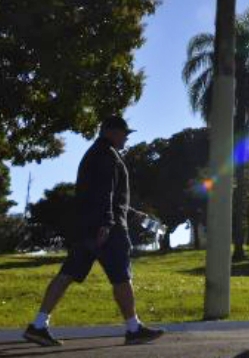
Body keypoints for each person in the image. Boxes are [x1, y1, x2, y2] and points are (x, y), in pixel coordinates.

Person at [23, 115, 164, 347]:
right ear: (110, 131)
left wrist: (129, 212)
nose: (126, 137)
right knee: (121, 276)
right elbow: (104, 193)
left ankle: (38, 325)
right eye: (124, 133)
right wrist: (108, 223)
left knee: (67, 273)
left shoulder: (96, 154)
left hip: (87, 227)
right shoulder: (106, 156)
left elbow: (101, 194)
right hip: (106, 230)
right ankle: (133, 328)